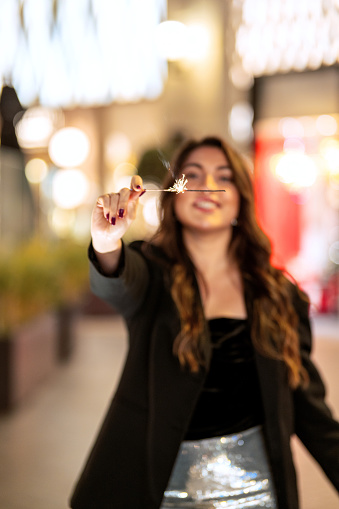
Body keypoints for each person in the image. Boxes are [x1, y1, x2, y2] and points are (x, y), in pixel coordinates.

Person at [70, 136, 339, 509]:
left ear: (240, 198)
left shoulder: (278, 294)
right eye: (192, 175)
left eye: (223, 177)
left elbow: (310, 408)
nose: (207, 186)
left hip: (257, 492)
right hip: (161, 490)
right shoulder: (151, 271)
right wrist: (106, 242)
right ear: (174, 195)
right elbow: (119, 284)